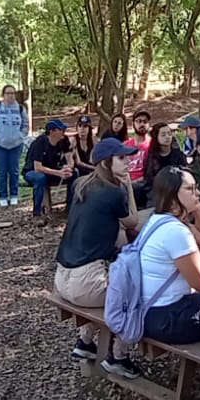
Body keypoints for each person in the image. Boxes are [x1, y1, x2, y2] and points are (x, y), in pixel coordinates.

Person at [54, 137, 143, 377]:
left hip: (62, 278)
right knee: (137, 292)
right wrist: (129, 186)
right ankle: (119, 356)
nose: (128, 162)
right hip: (87, 284)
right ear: (106, 163)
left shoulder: (81, 184)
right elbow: (132, 221)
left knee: (115, 276)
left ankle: (85, 342)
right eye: (122, 158)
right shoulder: (114, 193)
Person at [136, 167, 200, 346]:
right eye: (190, 189)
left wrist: (195, 204)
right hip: (167, 321)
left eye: (197, 188)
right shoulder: (176, 232)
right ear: (172, 197)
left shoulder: (158, 220)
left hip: (148, 312)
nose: (198, 193)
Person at [0, 84, 29, 208]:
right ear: (3, 95)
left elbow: (25, 125)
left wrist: (20, 136)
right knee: (2, 171)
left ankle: (14, 195)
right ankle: (3, 196)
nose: (10, 96)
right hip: (0, 145)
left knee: (14, 171)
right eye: (8, 93)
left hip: (16, 145)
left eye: (13, 93)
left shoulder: (20, 108)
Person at [23, 119, 75, 220]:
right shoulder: (40, 143)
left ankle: (70, 208)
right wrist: (59, 173)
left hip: (54, 171)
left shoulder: (64, 140)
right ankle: (37, 213)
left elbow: (70, 160)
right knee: (40, 178)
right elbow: (38, 167)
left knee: (74, 173)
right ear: (52, 131)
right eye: (61, 129)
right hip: (33, 171)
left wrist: (68, 168)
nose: (64, 132)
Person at [139, 122, 188, 207]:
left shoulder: (178, 154)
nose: (167, 137)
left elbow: (184, 173)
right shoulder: (151, 156)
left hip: (176, 188)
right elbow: (148, 179)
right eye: (163, 135)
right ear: (156, 137)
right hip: (156, 190)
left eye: (169, 134)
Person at [126, 109, 154, 182]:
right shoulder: (125, 145)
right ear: (133, 124)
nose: (142, 124)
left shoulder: (152, 145)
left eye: (145, 121)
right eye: (139, 121)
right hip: (124, 182)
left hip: (143, 183)